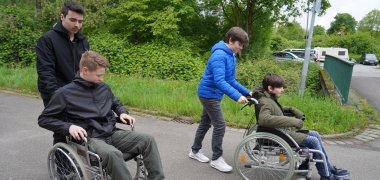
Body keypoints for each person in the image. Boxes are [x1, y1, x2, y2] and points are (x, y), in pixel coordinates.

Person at [38, 51, 165, 180]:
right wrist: (69, 127)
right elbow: (44, 119)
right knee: (113, 154)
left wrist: (122, 112)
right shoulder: (64, 93)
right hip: (90, 138)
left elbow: (115, 102)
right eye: (99, 75)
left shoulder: (103, 88)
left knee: (148, 140)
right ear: (85, 70)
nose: (102, 79)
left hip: (111, 133)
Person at [254, 74, 350, 180]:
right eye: (280, 87)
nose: (282, 90)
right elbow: (264, 119)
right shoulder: (265, 101)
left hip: (282, 132)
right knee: (313, 141)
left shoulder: (269, 98)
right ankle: (326, 175)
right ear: (270, 88)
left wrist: (291, 109)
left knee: (315, 134)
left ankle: (329, 168)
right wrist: (293, 121)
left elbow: (276, 109)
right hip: (280, 135)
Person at [189, 27, 252, 173]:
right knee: (220, 125)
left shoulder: (231, 55)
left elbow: (230, 79)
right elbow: (219, 81)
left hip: (213, 94)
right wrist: (237, 97)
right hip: (208, 94)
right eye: (239, 44)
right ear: (230, 40)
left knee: (205, 123)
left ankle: (194, 151)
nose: (240, 48)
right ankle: (216, 159)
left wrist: (247, 92)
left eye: (242, 45)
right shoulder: (219, 55)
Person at [36, 1, 89, 108]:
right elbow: (46, 72)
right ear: (62, 17)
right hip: (56, 94)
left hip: (78, 93)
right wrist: (57, 97)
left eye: (80, 21)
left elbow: (86, 69)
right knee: (63, 124)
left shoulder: (83, 41)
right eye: (73, 20)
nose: (77, 25)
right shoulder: (47, 40)